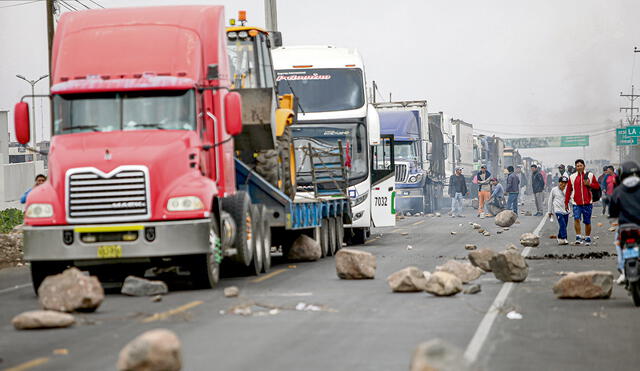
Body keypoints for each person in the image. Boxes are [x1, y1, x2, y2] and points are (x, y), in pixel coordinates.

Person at [609, 161, 640, 284]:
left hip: (625, 226)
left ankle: (622, 270)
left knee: (618, 243)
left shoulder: (618, 191)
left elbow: (613, 212)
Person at [564, 159, 600, 245]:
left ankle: (587, 237)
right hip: (576, 203)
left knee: (587, 221)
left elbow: (597, 186)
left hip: (588, 203)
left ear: (584, 166)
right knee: (576, 219)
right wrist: (566, 203)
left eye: (580, 165)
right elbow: (568, 190)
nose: (579, 167)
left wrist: (589, 184)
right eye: (577, 166)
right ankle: (578, 237)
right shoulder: (572, 177)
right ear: (575, 167)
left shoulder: (590, 175)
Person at [548, 176, 569, 245]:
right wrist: (550, 211)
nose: (563, 184)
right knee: (562, 224)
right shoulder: (554, 190)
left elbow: (571, 199)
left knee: (564, 225)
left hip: (566, 210)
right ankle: (564, 238)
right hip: (557, 210)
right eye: (562, 182)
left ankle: (559, 237)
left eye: (565, 183)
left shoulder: (568, 190)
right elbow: (550, 201)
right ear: (559, 182)